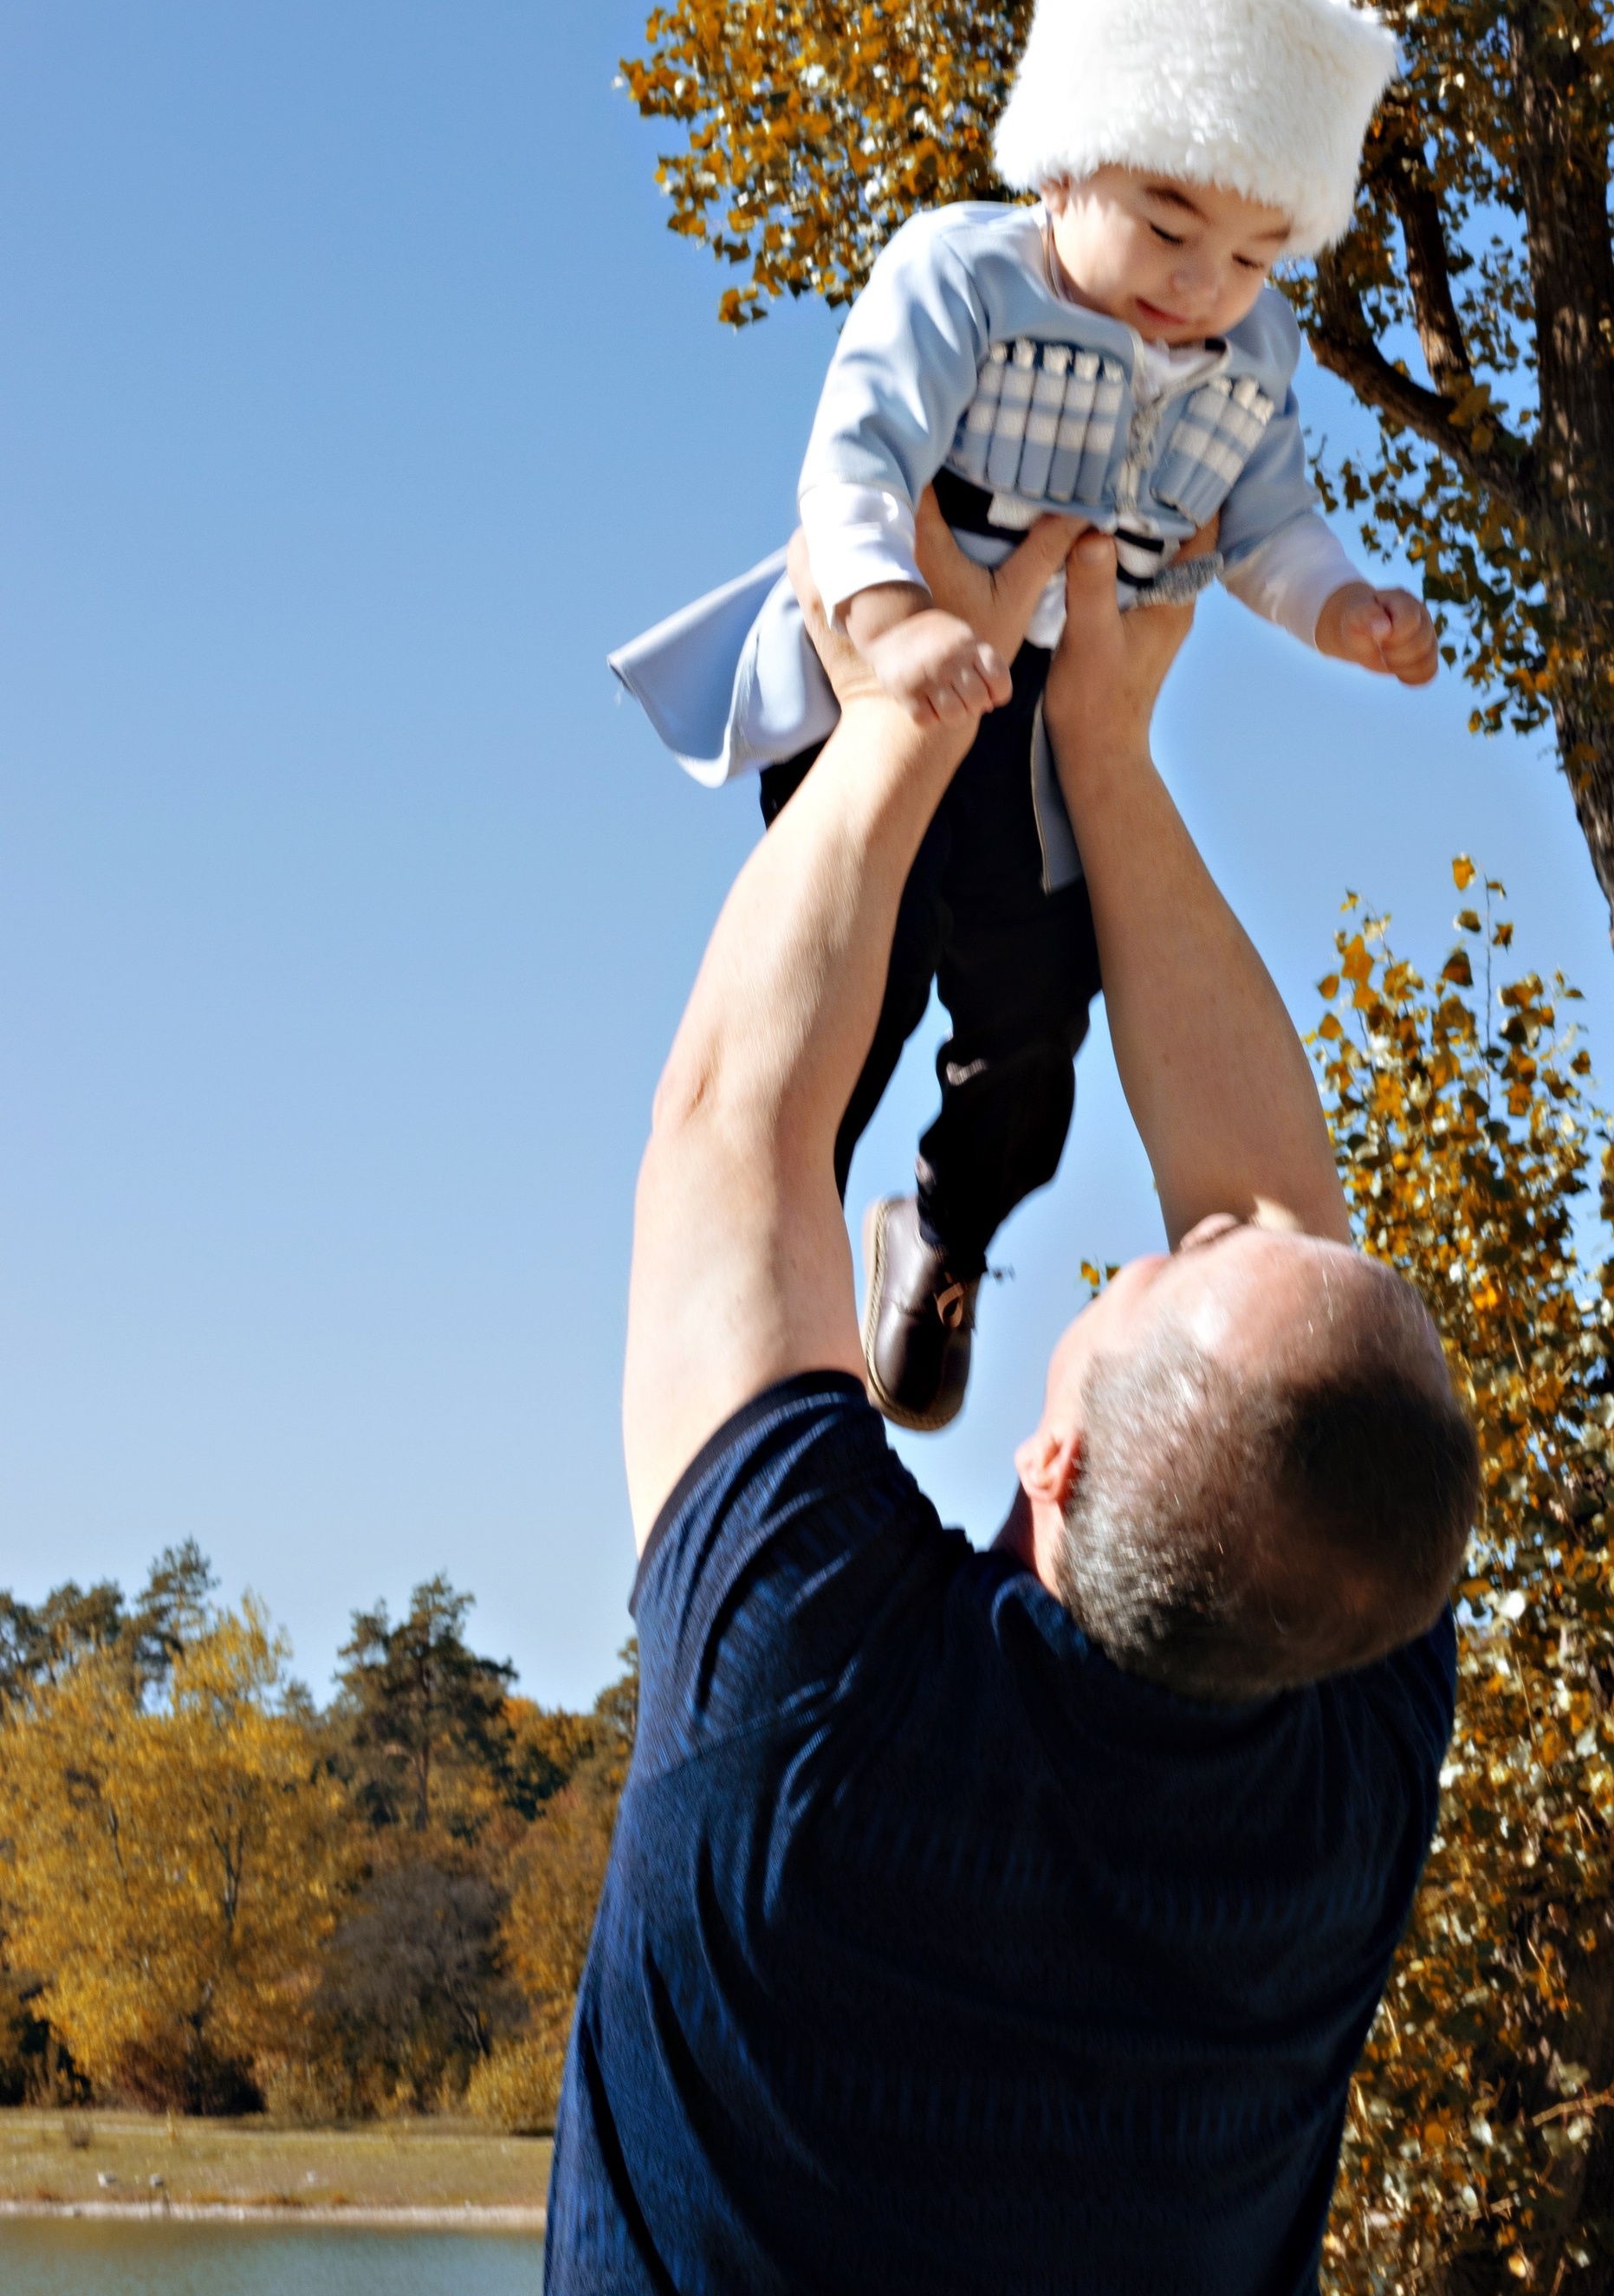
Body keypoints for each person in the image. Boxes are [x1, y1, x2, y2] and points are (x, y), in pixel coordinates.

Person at [546, 512, 1479, 2296]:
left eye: (1144, 1278)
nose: (1143, 1249)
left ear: (1047, 1464)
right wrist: (1100, 760)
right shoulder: (1322, 1732)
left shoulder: (806, 1713)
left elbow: (738, 1127)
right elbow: (1274, 1242)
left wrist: (910, 706)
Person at [609, 0, 1440, 1430]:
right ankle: (778, 1289)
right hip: (898, 686)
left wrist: (1339, 612)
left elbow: (1268, 525)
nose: (1204, 283)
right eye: (1169, 224)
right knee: (845, 1008)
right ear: (1062, 165)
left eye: (1256, 252)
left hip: (1050, 738)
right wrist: (889, 617)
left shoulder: (1254, 349)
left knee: (1035, 1033)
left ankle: (941, 1236)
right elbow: (854, 458)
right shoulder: (962, 275)